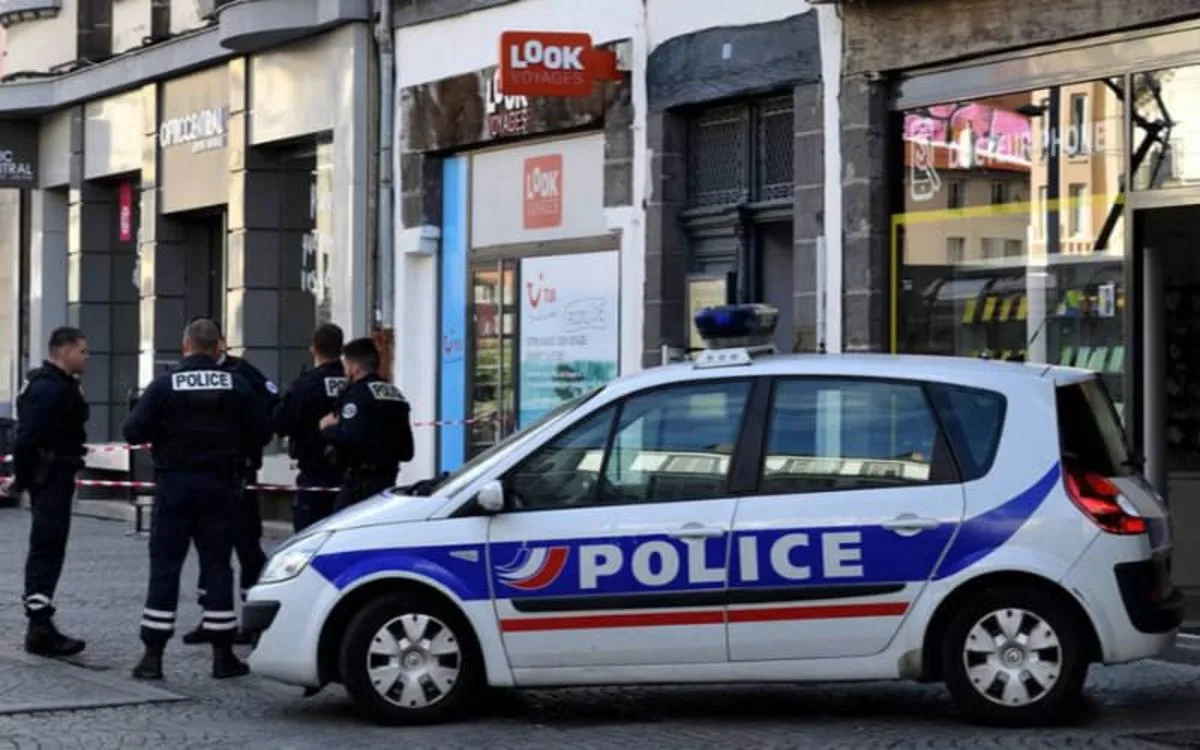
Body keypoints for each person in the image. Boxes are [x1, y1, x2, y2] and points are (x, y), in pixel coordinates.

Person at [122, 318, 272, 680]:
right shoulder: (237, 384)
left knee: (165, 567)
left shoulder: (165, 384)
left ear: (185, 346)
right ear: (217, 347)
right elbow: (263, 431)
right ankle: (223, 656)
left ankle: (152, 657)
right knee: (218, 565)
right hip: (221, 486)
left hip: (174, 486)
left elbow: (133, 431)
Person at [181, 324, 279, 646]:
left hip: (239, 474)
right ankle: (211, 615)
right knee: (210, 548)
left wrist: (246, 443)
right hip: (206, 476)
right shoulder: (190, 375)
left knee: (247, 547)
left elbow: (270, 409)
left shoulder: (242, 373)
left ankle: (253, 618)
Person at [1, 327, 90, 658]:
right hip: (49, 477)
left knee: (50, 547)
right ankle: (39, 627)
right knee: (46, 548)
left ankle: (40, 622)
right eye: (82, 351)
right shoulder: (48, 388)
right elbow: (27, 438)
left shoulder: (58, 384)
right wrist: (22, 479)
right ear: (64, 351)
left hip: (55, 475)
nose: (87, 357)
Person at [320, 338, 414, 512]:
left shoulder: (358, 395)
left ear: (355, 367)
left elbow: (350, 439)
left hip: (360, 484)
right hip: (387, 481)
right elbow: (407, 450)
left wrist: (327, 428)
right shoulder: (394, 393)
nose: (345, 371)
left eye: (346, 365)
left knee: (340, 525)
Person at [274, 323, 347, 532]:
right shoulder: (353, 381)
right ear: (341, 349)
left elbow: (281, 423)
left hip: (314, 472)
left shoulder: (306, 384)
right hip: (349, 476)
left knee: (310, 535)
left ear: (313, 349)